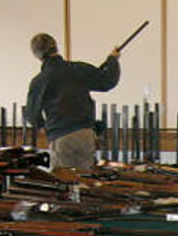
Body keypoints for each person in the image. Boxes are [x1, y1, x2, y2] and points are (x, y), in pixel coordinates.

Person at [24, 33, 120, 171]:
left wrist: (42, 126)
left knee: (64, 183)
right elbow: (107, 81)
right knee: (86, 182)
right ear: (55, 47)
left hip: (61, 136)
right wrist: (112, 60)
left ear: (37, 55)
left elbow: (31, 114)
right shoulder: (78, 69)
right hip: (85, 134)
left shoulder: (40, 81)